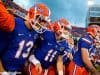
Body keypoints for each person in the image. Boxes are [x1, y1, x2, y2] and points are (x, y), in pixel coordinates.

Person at [0, 1, 50, 74]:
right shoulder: (14, 24)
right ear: (32, 14)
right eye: (40, 19)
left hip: (18, 71)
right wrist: (2, 72)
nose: (42, 24)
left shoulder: (36, 33)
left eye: (44, 22)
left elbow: (27, 51)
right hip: (4, 69)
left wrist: (36, 62)